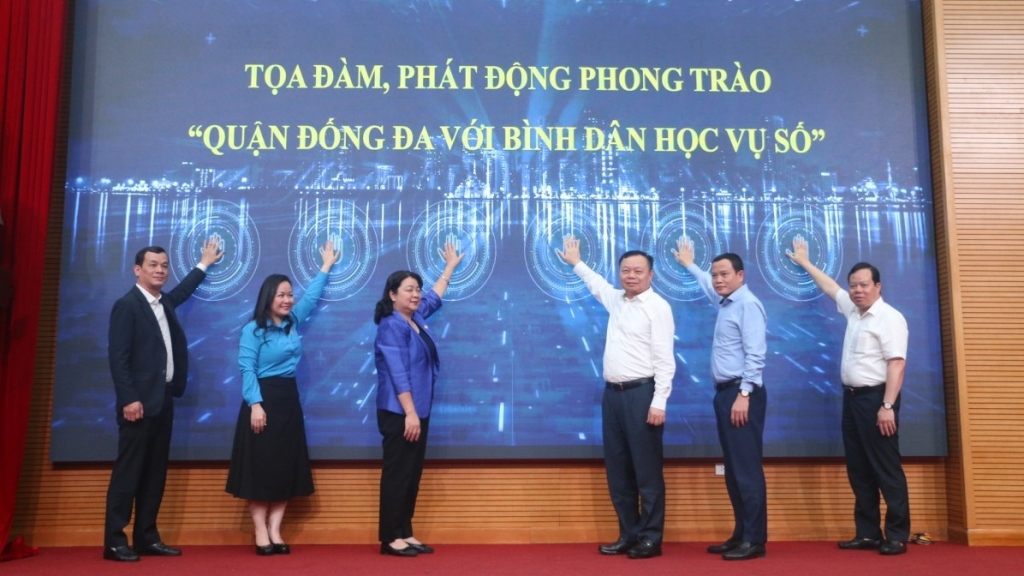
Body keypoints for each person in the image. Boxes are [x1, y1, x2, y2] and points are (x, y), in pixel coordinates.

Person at [785, 236, 910, 556]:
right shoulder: (854, 310)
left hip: (877, 400)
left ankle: (897, 535)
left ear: (878, 286)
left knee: (886, 468)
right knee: (859, 469)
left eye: (864, 285)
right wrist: (805, 262)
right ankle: (867, 533)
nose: (857, 290)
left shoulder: (890, 318)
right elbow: (830, 288)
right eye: (853, 285)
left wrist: (887, 406)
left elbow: (897, 364)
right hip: (852, 400)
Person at [103, 237, 224, 562]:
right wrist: (129, 399)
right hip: (137, 406)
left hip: (163, 401)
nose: (160, 270)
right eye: (153, 265)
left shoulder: (163, 302)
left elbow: (182, 292)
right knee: (128, 474)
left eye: (164, 266)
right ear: (137, 270)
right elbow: (118, 358)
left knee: (155, 474)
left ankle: (147, 537)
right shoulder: (127, 305)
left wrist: (204, 263)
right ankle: (114, 542)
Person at [556, 236, 675, 560]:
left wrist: (659, 402)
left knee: (646, 472)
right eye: (626, 270)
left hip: (642, 396)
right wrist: (576, 262)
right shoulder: (618, 300)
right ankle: (629, 534)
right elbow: (596, 284)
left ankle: (650, 538)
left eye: (638, 271)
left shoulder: (658, 308)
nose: (631, 276)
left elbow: (666, 362)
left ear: (650, 275)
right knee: (619, 470)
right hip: (612, 396)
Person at [225, 240, 339, 555]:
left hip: (288, 399)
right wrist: (255, 405)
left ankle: (276, 530)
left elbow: (311, 298)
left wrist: (326, 266)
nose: (288, 300)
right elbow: (246, 368)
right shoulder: (253, 330)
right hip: (263, 401)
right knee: (261, 468)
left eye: (290, 295)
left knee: (284, 466)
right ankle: (260, 531)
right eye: (281, 295)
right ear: (268, 298)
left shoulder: (292, 322)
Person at [674, 238, 767, 561]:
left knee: (746, 469)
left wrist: (744, 393)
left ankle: (754, 540)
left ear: (740, 276)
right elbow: (706, 285)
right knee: (733, 469)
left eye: (724, 274)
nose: (717, 280)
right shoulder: (727, 302)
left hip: (742, 394)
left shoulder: (748, 305)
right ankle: (741, 533)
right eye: (715, 274)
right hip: (726, 394)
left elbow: (756, 354)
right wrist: (690, 265)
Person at [374, 242, 464, 557]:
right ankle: (390, 538)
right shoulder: (392, 325)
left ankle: (405, 531)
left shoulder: (414, 317)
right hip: (400, 412)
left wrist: (449, 267)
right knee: (398, 473)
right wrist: (410, 413)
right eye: (409, 290)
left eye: (417, 289)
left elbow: (434, 297)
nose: (416, 295)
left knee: (411, 474)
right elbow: (398, 373)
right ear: (392, 294)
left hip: (417, 410)